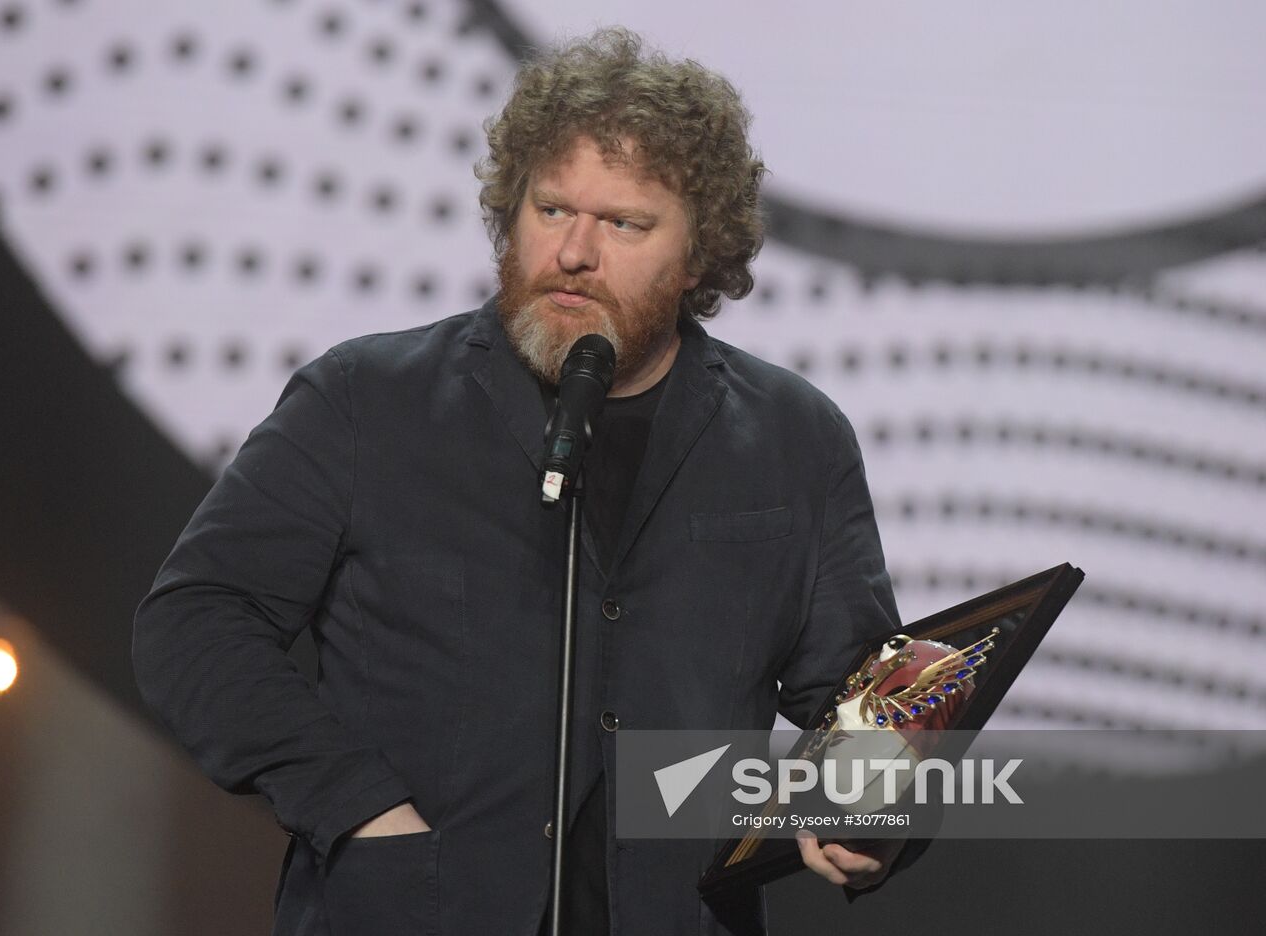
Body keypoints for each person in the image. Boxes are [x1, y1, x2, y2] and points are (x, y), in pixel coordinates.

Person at [132, 27, 911, 936]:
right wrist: (355, 806)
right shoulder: (362, 403)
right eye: (550, 210)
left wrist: (868, 806)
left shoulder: (793, 439)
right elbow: (195, 623)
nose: (574, 252)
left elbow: (858, 706)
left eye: (623, 223)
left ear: (699, 256)